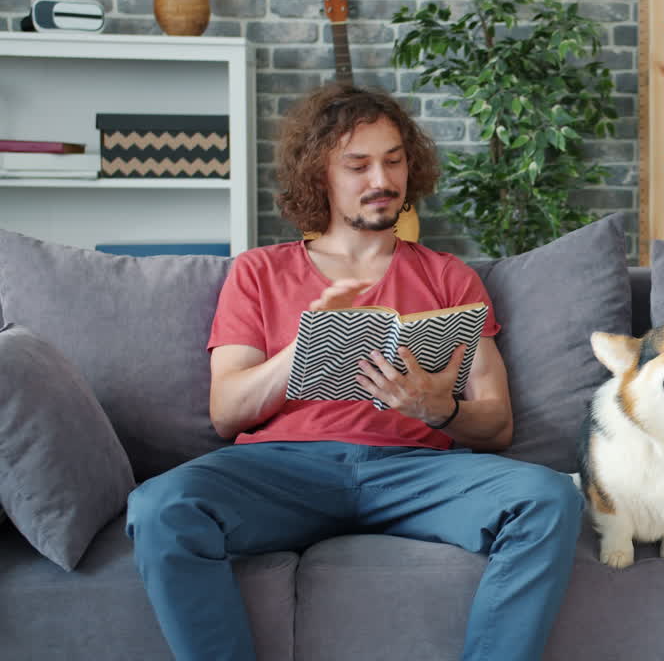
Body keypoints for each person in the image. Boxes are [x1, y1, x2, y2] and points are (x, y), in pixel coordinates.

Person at [125, 84, 583, 661]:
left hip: (417, 472)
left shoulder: (450, 278)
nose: (381, 180)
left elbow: (498, 425)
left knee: (546, 498)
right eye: (358, 164)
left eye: (394, 160)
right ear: (320, 175)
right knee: (159, 506)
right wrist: (306, 344)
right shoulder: (259, 272)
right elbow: (226, 412)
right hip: (285, 469)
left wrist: (434, 407)